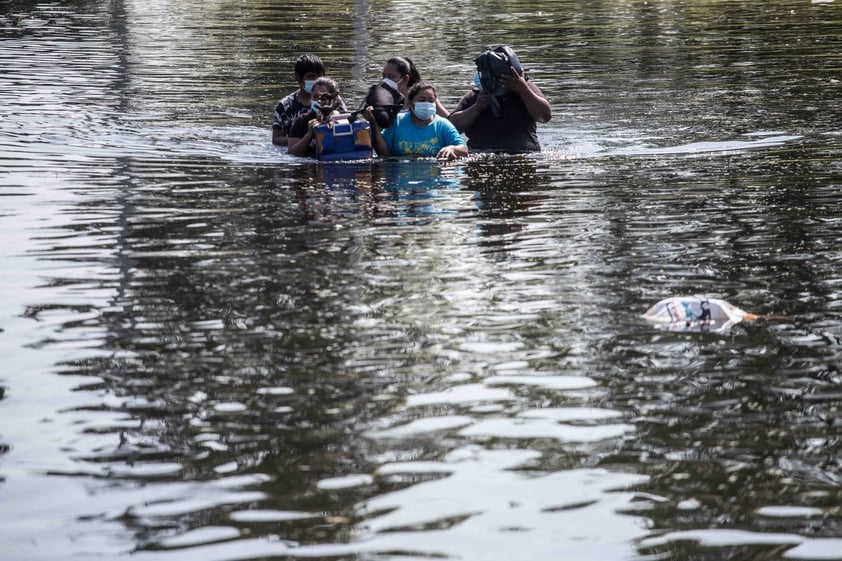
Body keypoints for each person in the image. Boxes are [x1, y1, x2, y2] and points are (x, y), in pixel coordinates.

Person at [448, 45, 552, 153]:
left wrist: (524, 90)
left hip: (523, 154)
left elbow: (545, 117)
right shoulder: (475, 96)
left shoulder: (526, 89)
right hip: (480, 155)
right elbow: (450, 128)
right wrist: (477, 107)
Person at [365, 81, 468, 160]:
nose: (426, 103)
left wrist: (452, 148)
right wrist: (373, 123)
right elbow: (384, 154)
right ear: (410, 103)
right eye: (422, 100)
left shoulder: (443, 125)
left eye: (431, 100)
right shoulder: (397, 121)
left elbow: (464, 150)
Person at [272, 54, 347, 146]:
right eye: (310, 76)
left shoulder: (335, 100)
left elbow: (346, 124)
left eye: (319, 76)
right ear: (298, 78)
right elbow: (276, 139)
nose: (316, 80)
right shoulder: (285, 106)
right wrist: (303, 139)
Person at [363, 56, 448, 130]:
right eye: (384, 76)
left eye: (391, 77)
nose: (386, 81)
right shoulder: (379, 98)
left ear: (405, 79)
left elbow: (449, 122)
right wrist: (371, 120)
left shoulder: (425, 97)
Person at [287, 77, 343, 158]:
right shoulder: (302, 121)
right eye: (315, 97)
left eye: (323, 98)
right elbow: (292, 153)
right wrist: (309, 135)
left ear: (334, 100)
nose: (318, 101)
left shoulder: (342, 119)